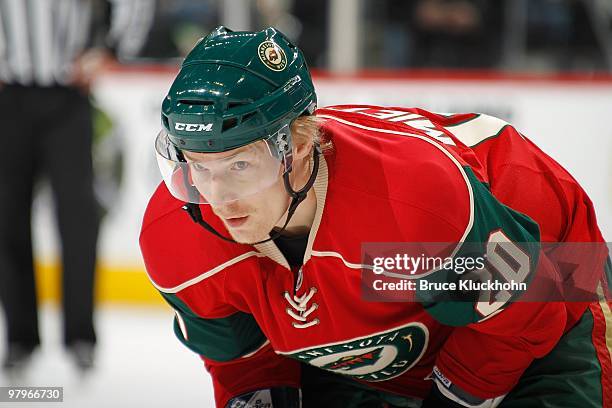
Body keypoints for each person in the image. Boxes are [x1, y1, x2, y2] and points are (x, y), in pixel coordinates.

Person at [140, 27, 611, 407]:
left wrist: (453, 397)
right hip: (405, 323)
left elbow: (525, 312)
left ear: (300, 145)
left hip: (552, 274)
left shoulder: (410, 207)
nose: (217, 197)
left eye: (240, 164)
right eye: (197, 166)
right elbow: (243, 364)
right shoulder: (176, 235)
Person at [0, 0, 153, 371]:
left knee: (78, 219)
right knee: (7, 219)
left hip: (67, 96)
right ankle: (20, 338)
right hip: (7, 98)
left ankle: (80, 336)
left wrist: (112, 48)